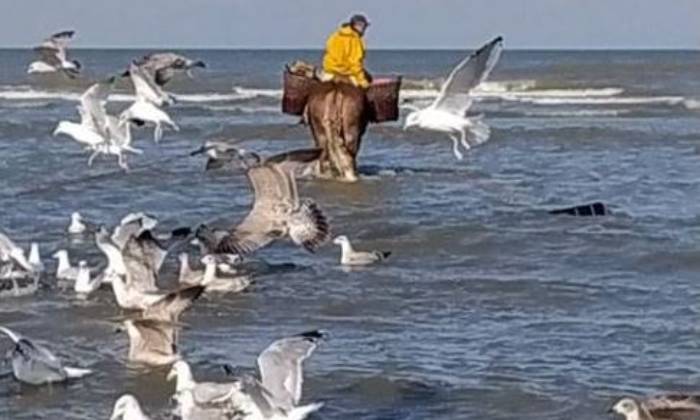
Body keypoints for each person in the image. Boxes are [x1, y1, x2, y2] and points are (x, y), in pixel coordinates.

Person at [321, 14, 372, 88]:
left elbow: (328, 50)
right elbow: (355, 63)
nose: (364, 30)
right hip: (347, 73)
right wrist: (362, 81)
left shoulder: (335, 35)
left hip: (329, 72)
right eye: (364, 27)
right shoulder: (355, 40)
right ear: (358, 26)